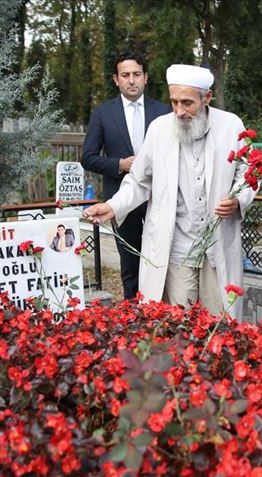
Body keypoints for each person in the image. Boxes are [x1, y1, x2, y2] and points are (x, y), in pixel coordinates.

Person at [83, 64, 255, 318]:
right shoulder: (159, 129)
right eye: (174, 102)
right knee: (178, 324)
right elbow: (139, 181)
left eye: (187, 103)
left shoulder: (231, 125)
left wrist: (238, 200)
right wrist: (112, 206)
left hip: (216, 246)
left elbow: (249, 174)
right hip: (177, 248)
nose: (179, 111)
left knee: (220, 324)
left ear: (207, 97)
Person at [81, 51, 171, 299]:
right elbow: (87, 157)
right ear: (115, 79)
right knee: (130, 261)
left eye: (136, 75)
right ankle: (133, 315)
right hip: (121, 198)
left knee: (161, 256)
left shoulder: (164, 111)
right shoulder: (103, 113)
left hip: (158, 196)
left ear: (146, 78)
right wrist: (120, 164)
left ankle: (162, 310)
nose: (131, 80)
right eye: (125, 75)